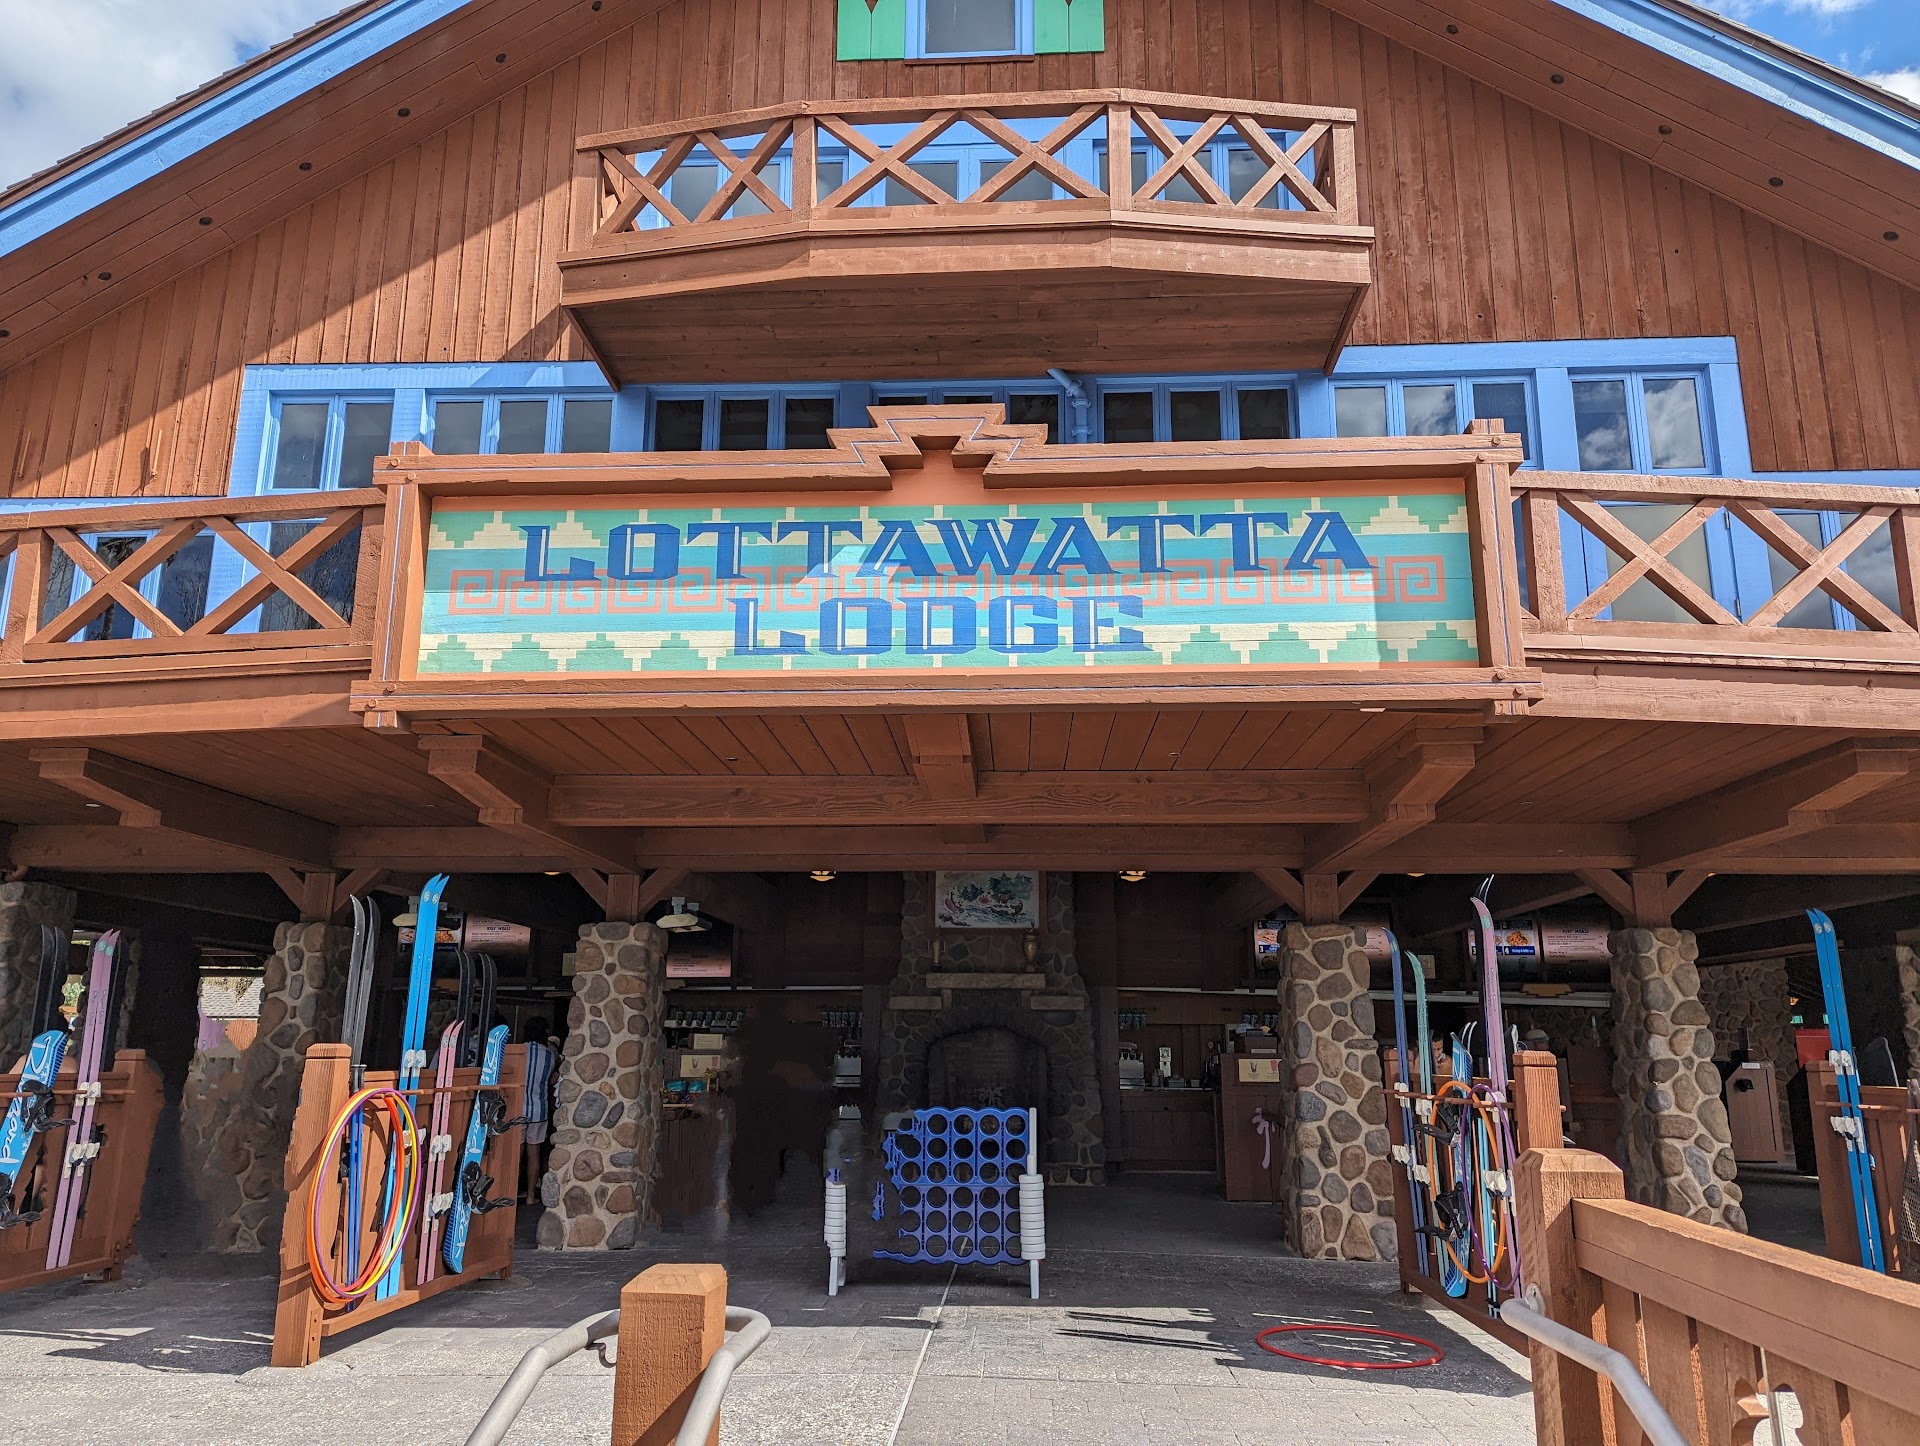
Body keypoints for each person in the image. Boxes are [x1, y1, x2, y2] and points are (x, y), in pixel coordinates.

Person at [520, 1017, 558, 1204]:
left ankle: (509, 1193)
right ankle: (530, 1196)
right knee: (533, 1152)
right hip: (539, 1109)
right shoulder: (550, 1055)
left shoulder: (517, 1052)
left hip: (517, 1109)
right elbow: (552, 1080)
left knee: (515, 1152)